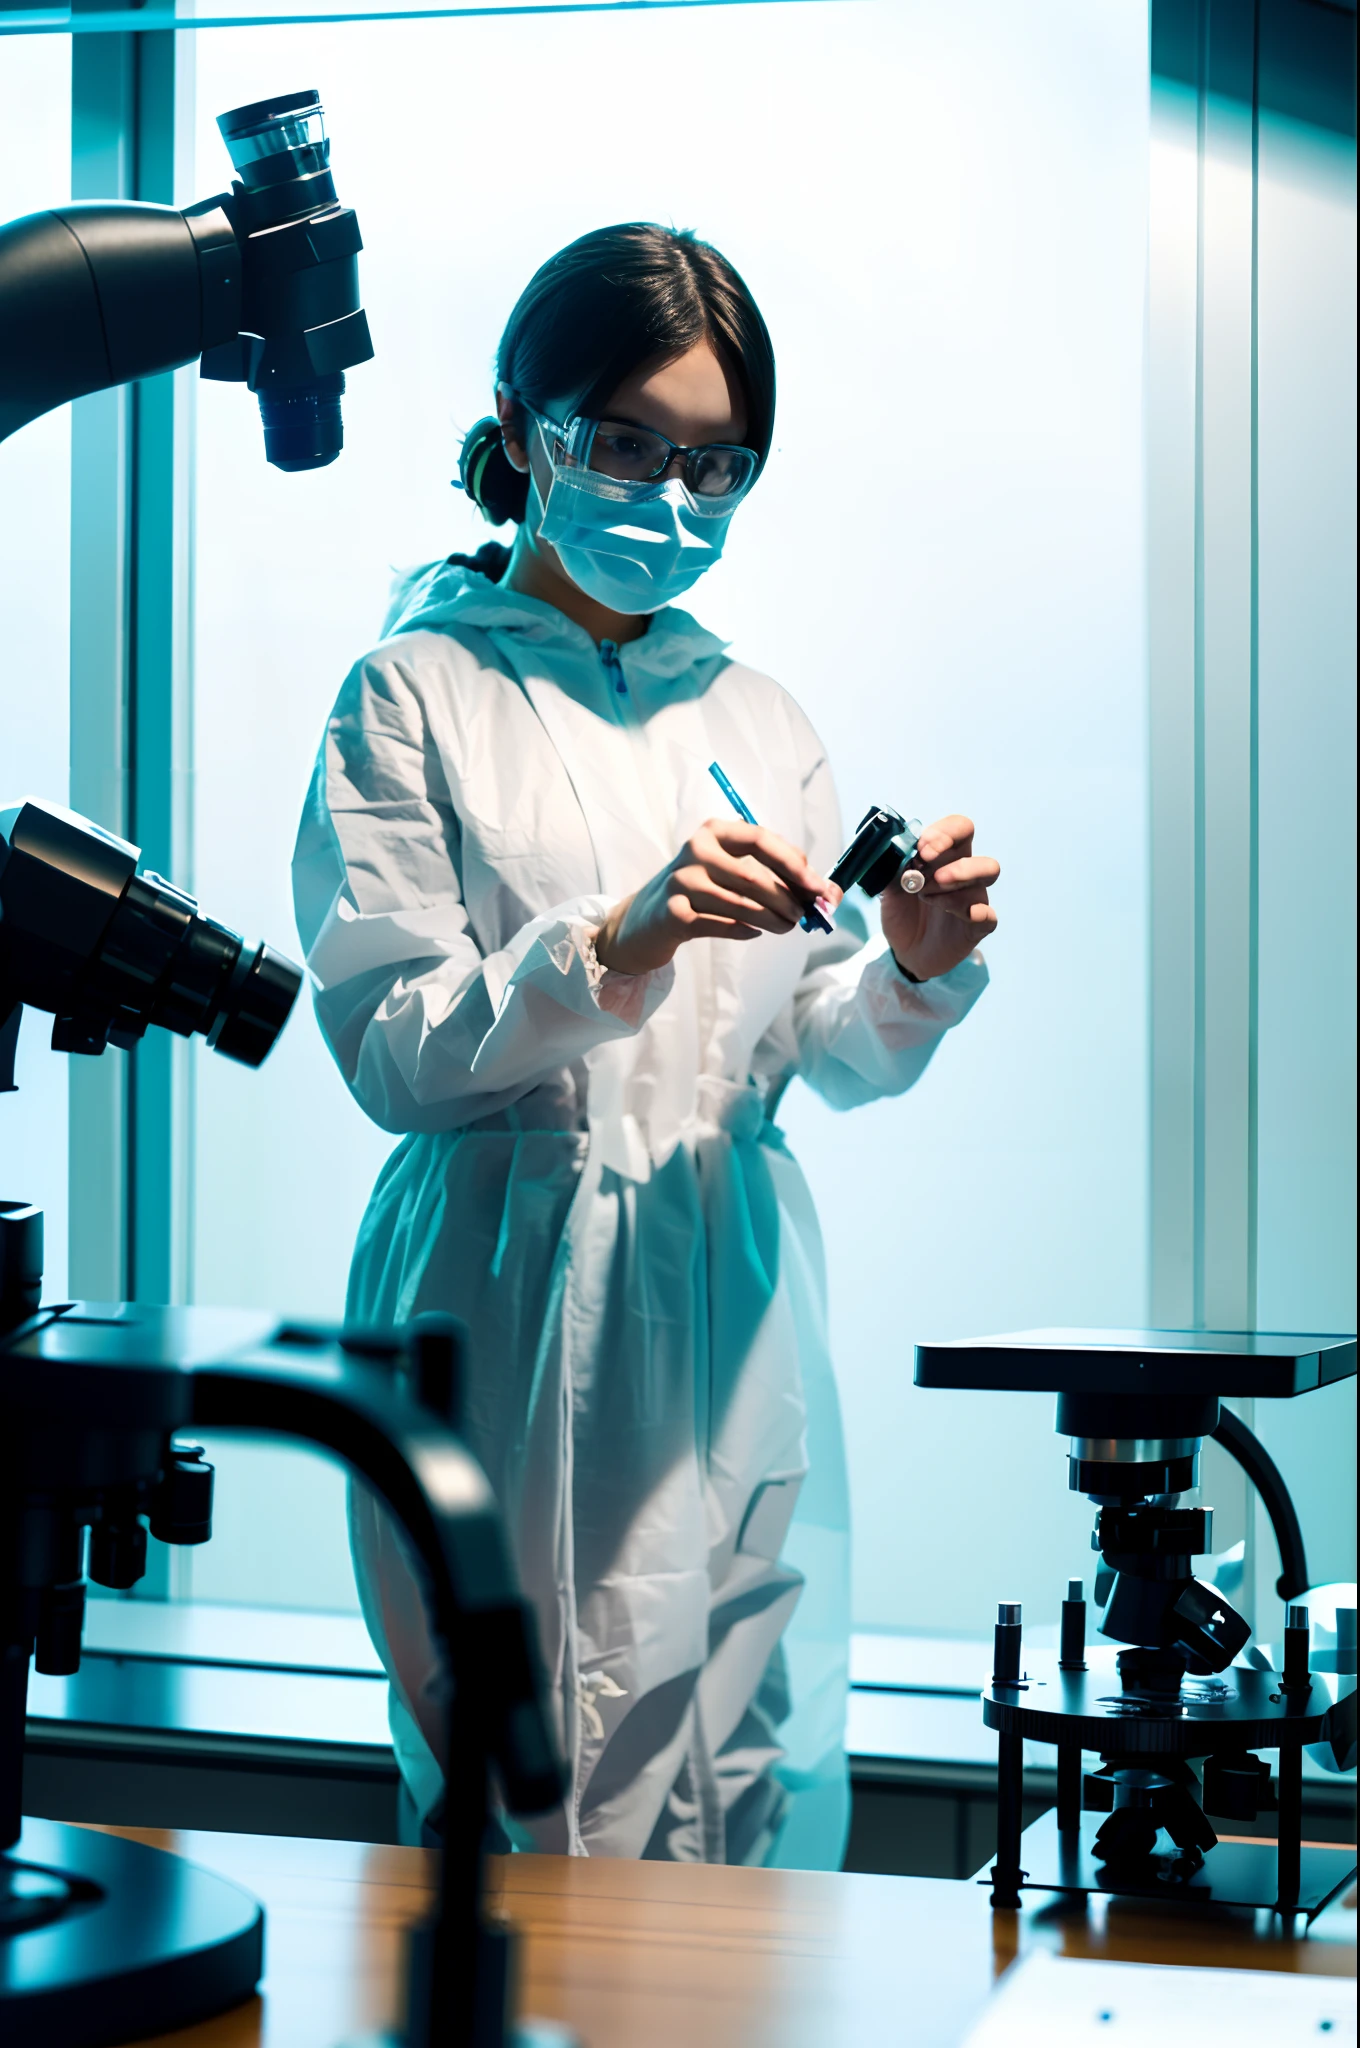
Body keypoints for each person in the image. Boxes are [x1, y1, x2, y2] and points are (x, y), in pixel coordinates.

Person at [292, 223, 999, 1867]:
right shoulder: (412, 695)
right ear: (524, 422)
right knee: (527, 1776)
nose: (672, 498)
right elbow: (392, 1047)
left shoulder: (758, 719)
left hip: (730, 1282)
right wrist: (620, 939)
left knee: (745, 1765)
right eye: (628, 444)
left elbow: (824, 1050)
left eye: (717, 464)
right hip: (509, 1292)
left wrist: (911, 965)